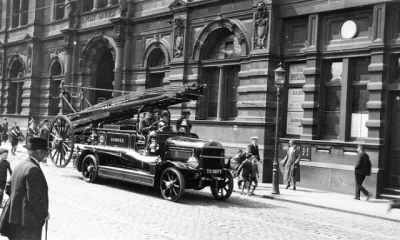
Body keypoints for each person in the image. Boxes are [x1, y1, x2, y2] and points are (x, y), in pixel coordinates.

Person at [1, 137, 50, 239]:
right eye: (45, 152)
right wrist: (44, 214)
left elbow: (8, 188)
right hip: (28, 222)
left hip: (15, 218)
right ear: (38, 152)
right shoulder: (33, 169)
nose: (46, 155)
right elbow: (34, 198)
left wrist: (19, 203)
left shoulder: (20, 165)